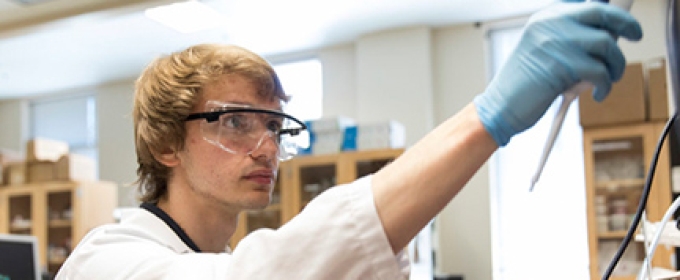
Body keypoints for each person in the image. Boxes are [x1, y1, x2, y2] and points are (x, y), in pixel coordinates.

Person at [55, 1, 642, 279]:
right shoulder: (108, 263)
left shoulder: (216, 256)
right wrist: (486, 118)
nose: (265, 146)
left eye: (274, 125)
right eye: (235, 121)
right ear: (165, 144)